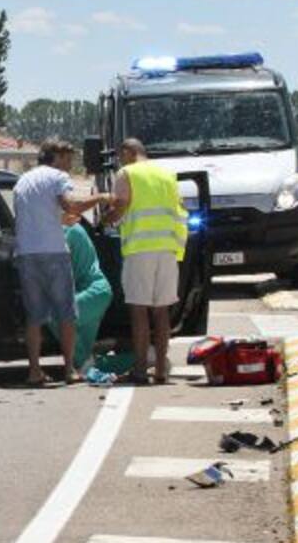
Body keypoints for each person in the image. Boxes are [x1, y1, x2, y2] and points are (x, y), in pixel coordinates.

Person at [13, 139, 112, 386]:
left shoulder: (22, 181)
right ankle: (69, 370)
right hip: (54, 253)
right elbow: (73, 206)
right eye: (67, 158)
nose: (69, 164)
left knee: (34, 317)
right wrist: (101, 197)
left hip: (26, 254)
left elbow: (38, 218)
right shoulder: (57, 177)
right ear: (56, 157)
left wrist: (60, 221)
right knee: (66, 313)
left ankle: (34, 371)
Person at [105, 138, 188, 385]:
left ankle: (141, 370)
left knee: (139, 310)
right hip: (168, 249)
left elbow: (121, 205)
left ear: (129, 152)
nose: (121, 160)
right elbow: (180, 209)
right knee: (162, 312)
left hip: (140, 249)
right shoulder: (167, 174)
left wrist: (106, 218)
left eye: (122, 155)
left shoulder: (127, 173)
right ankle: (161, 370)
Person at [48, 213, 114, 372]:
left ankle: (145, 357)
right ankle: (146, 356)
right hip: (95, 292)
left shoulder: (66, 231)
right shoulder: (71, 227)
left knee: (56, 316)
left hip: (92, 291)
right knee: (86, 359)